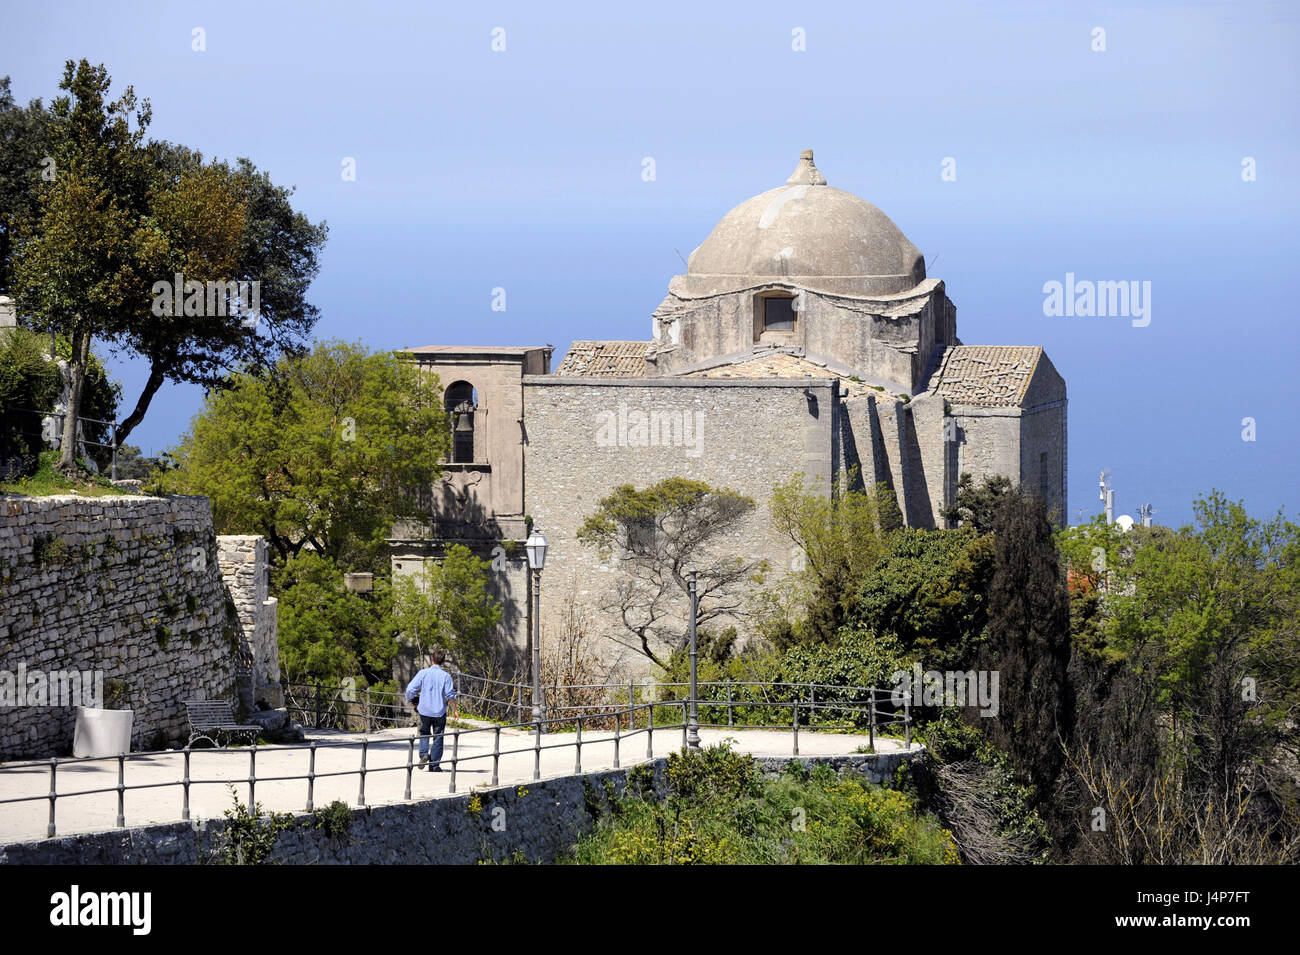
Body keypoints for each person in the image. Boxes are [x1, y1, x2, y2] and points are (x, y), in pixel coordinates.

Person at [405, 649, 459, 771]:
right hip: (439, 711)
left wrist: (410, 699)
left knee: (424, 732)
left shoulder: (423, 673)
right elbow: (450, 695)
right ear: (443, 661)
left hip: (424, 710)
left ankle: (423, 754)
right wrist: (455, 709)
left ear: (432, 659)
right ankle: (434, 765)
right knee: (438, 736)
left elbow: (410, 688)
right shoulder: (446, 676)